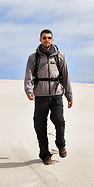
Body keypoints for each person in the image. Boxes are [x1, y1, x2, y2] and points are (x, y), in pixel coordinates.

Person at [24, 29, 73, 165]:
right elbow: (28, 76)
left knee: (59, 120)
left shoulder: (60, 56)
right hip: (40, 96)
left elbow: (66, 76)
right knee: (40, 125)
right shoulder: (33, 57)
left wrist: (69, 96)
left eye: (49, 38)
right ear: (40, 40)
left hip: (57, 94)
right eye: (44, 38)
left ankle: (61, 144)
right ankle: (45, 154)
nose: (46, 40)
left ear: (52, 39)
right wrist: (29, 91)